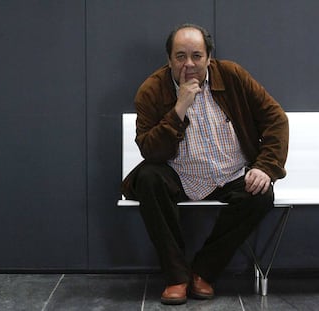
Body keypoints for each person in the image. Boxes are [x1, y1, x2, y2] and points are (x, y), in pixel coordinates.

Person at [121, 23, 289, 305]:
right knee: (149, 178)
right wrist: (179, 108)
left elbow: (276, 119)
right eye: (180, 56)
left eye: (197, 56)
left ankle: (203, 272)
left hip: (231, 172)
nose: (189, 64)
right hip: (178, 173)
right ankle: (176, 277)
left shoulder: (233, 75)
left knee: (261, 194)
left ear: (209, 57)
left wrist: (265, 167)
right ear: (169, 59)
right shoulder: (151, 90)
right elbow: (151, 150)